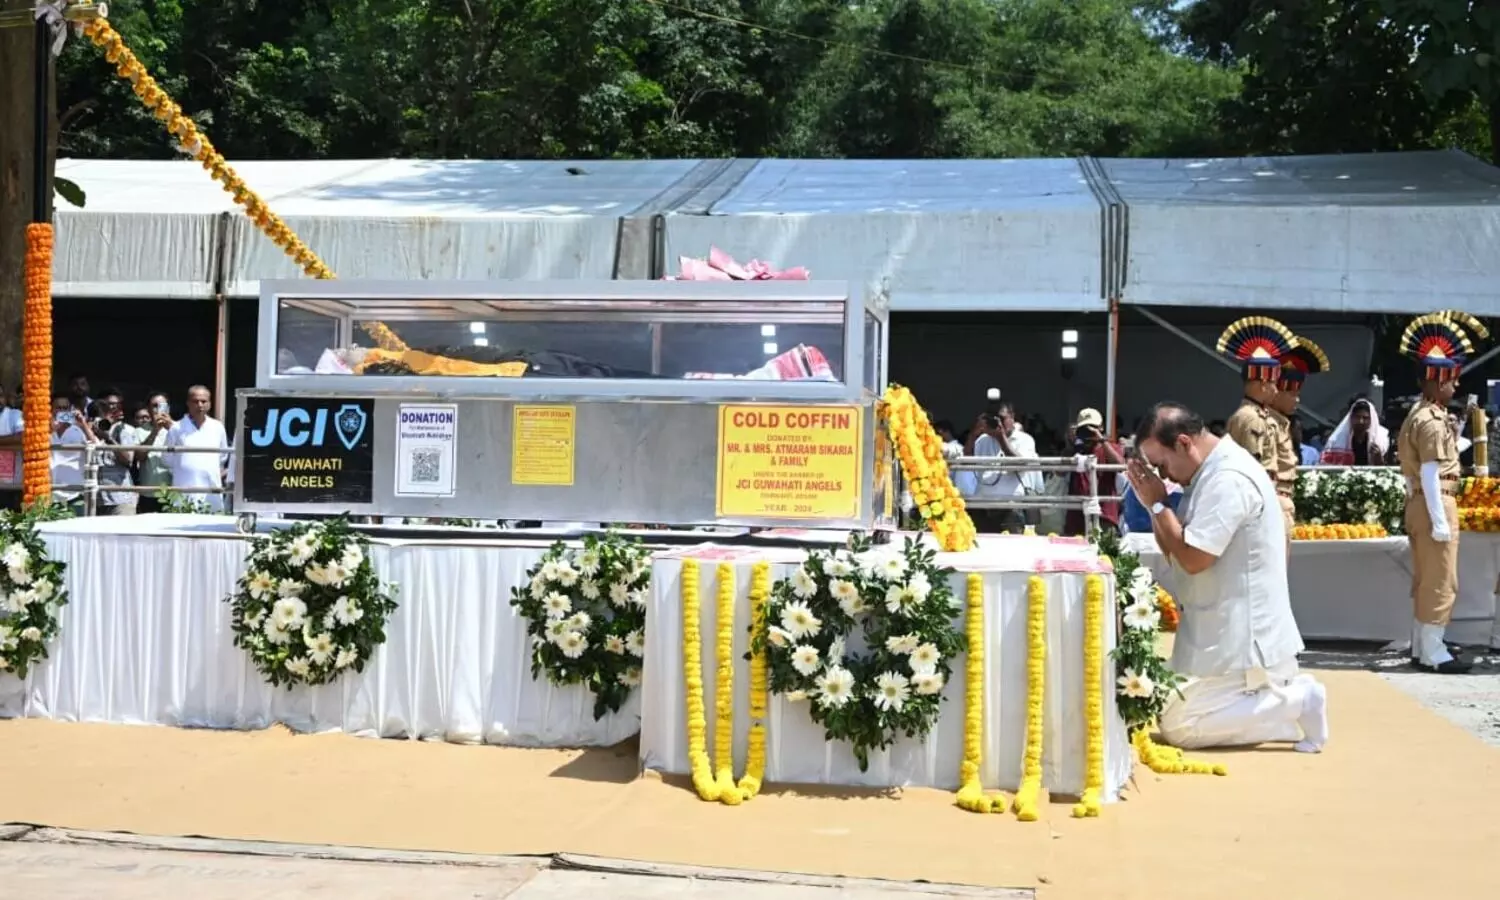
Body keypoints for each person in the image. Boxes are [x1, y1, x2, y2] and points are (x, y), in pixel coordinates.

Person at [1126, 401, 1327, 752]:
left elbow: (1194, 559)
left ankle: (1298, 699)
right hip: (1217, 636)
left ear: (1184, 443)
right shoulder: (1206, 473)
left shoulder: (1228, 478)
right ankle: (1275, 716)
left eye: (1162, 464)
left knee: (1180, 727)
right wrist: (1153, 504)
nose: (1164, 475)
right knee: (1162, 703)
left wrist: (1158, 504)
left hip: (1246, 647)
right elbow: (1174, 548)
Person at [1395, 315, 1476, 674]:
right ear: (1439, 379)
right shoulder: (1430, 419)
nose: (1456, 384)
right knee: (1441, 580)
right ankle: (1433, 651)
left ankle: (1422, 646)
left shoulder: (1421, 414)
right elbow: (1430, 470)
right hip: (1435, 500)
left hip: (1423, 501)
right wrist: (1440, 519)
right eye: (1452, 378)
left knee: (1426, 578)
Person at [1268, 336, 1331, 536]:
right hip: (1271, 505)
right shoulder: (1265, 423)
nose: (1297, 400)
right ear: (1276, 391)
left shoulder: (1282, 424)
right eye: (1292, 393)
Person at [165, 385, 231, 513]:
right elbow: (167, 459)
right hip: (183, 486)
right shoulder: (176, 428)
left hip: (210, 489)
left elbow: (222, 456)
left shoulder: (218, 427)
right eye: (195, 401)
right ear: (188, 403)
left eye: (204, 401)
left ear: (210, 404)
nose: (200, 405)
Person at [1064, 407, 1123, 536]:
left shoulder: (1110, 448)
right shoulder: (1076, 450)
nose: (1088, 432)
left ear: (1101, 427)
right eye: (1084, 429)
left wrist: (1101, 439)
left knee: (1104, 548)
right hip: (1077, 516)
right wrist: (1071, 442)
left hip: (1104, 514)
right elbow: (1060, 472)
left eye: (1092, 428)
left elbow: (1120, 466)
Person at [50, 394, 97, 516]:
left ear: (70, 410)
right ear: (51, 410)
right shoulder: (44, 431)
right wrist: (51, 429)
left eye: (65, 408)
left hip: (74, 493)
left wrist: (83, 423)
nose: (61, 411)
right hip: (49, 493)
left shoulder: (79, 430)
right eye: (58, 408)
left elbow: (96, 447)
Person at [1320, 399, 1388, 466]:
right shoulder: (1336, 440)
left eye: (1365, 418)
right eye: (1357, 417)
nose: (1361, 421)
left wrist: (1379, 459)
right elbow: (1326, 466)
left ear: (1371, 420)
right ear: (1351, 418)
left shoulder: (1380, 440)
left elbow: (1387, 468)